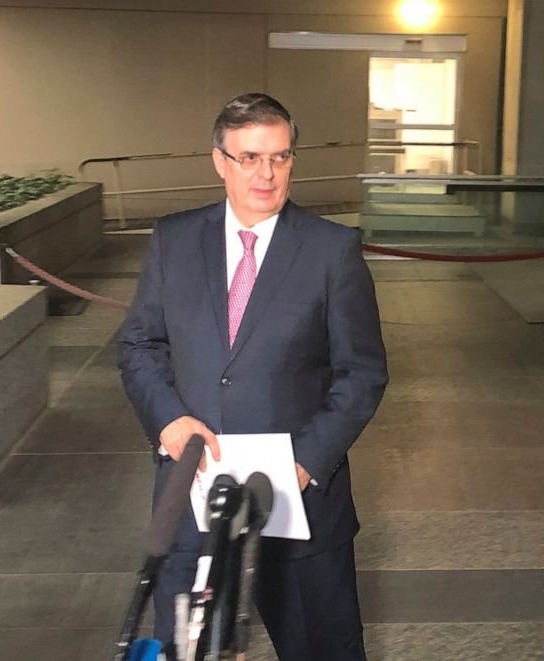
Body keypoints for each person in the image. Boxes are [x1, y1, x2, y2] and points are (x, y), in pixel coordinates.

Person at [118, 92, 388, 661]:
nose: (266, 174)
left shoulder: (332, 251)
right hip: (194, 491)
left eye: (281, 157)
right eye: (249, 157)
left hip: (298, 494)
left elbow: (361, 372)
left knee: (321, 647)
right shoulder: (173, 240)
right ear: (220, 160)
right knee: (186, 649)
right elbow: (141, 344)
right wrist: (168, 421)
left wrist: (308, 461)